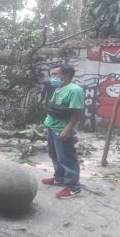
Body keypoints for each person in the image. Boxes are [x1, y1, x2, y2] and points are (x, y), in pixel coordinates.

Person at [42, 64, 85, 199]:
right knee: (54, 155)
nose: (52, 77)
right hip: (52, 127)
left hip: (62, 130)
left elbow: (76, 113)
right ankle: (59, 178)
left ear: (65, 75)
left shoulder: (75, 90)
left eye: (55, 74)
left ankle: (73, 187)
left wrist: (67, 129)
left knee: (67, 158)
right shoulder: (59, 88)